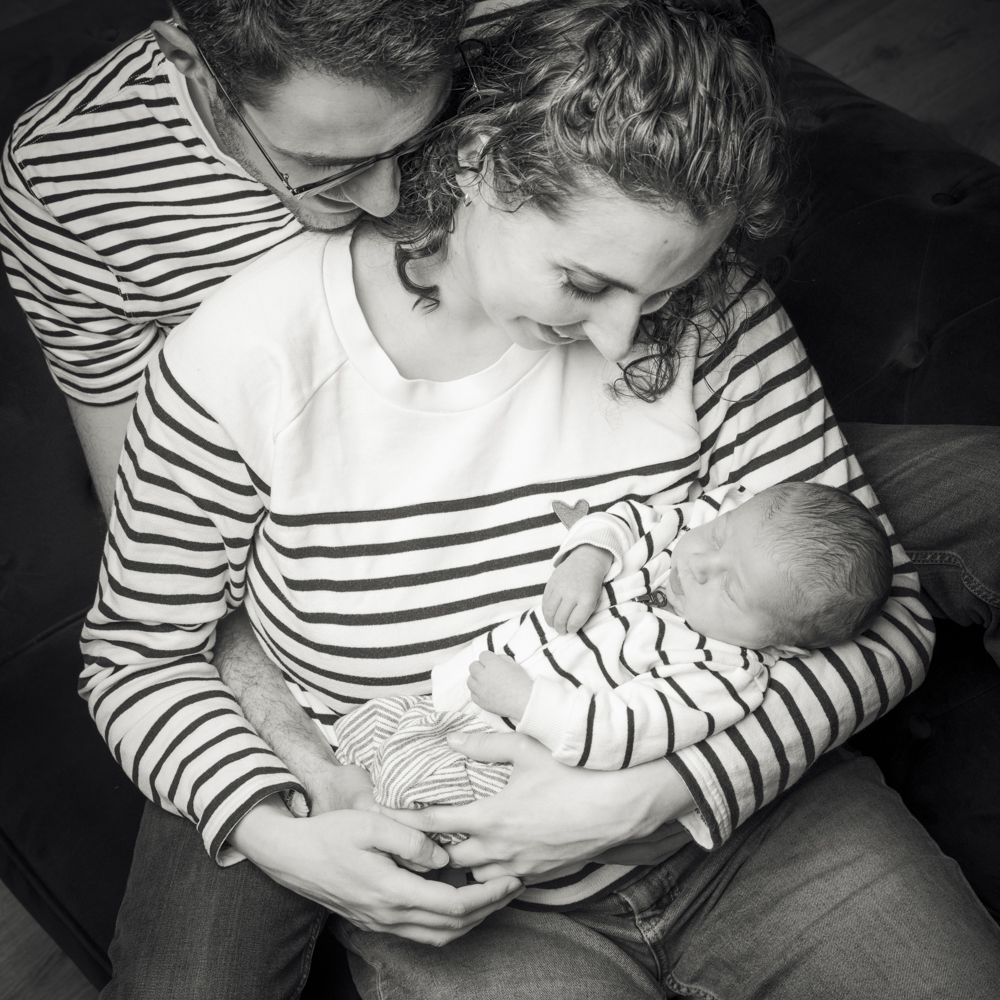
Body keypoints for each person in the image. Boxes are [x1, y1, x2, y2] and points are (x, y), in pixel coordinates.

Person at [78, 2, 1000, 996]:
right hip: (480, 916)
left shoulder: (718, 310)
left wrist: (659, 792)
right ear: (482, 165)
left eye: (659, 293)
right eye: (583, 283)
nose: (623, 339)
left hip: (765, 831)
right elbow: (136, 657)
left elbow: (888, 621)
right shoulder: (242, 360)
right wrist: (274, 829)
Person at [332, 481, 894, 864]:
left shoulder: (722, 677)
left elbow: (624, 730)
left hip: (496, 757)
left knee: (409, 798)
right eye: (719, 535)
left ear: (783, 645)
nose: (700, 563)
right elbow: (629, 518)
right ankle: (345, 805)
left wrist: (528, 702)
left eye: (731, 589)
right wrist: (587, 558)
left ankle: (388, 844)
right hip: (446, 698)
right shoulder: (693, 535)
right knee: (361, 732)